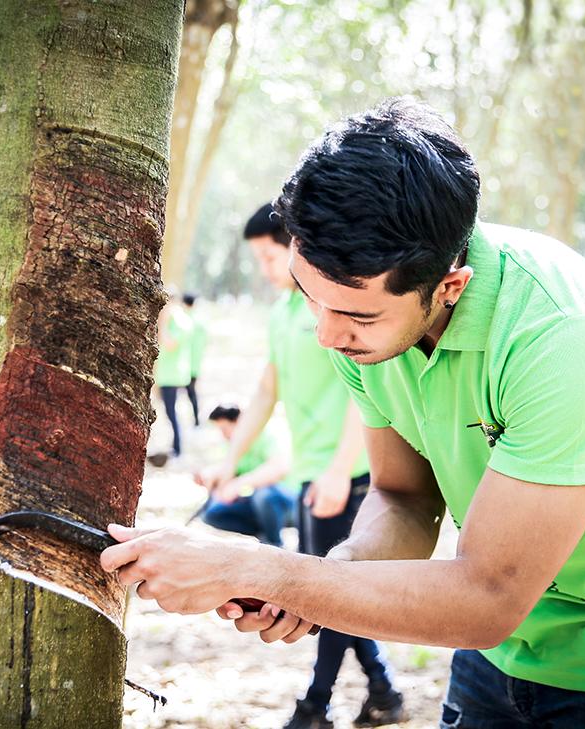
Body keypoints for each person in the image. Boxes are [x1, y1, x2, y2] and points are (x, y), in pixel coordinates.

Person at [103, 98, 585, 729]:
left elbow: (488, 596)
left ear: (450, 287)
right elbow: (404, 498)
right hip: (493, 655)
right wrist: (329, 576)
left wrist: (266, 569)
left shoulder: (567, 334)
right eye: (314, 299)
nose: (327, 337)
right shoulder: (356, 325)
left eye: (357, 317)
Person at [193, 203, 405, 729]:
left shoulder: (334, 308)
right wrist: (230, 461)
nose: (265, 270)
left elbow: (367, 393)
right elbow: (267, 389)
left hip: (349, 476)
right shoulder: (285, 314)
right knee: (334, 595)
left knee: (328, 596)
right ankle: (382, 690)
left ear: (297, 246)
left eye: (269, 256)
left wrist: (340, 471)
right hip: (313, 474)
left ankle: (316, 705)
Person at [197, 404, 295, 547]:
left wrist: (238, 484)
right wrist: (212, 476)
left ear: (239, 423)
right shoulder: (232, 444)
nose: (223, 435)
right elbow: (228, 470)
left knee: (264, 494)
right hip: (256, 502)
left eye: (224, 429)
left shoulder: (267, 435)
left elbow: (279, 468)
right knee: (212, 513)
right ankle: (263, 535)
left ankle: (275, 543)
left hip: (289, 500)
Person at [153, 294, 194, 457]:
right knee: (169, 412)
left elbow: (168, 344)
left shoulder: (181, 322)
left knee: (172, 412)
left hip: (172, 375)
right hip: (165, 374)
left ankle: (178, 449)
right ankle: (176, 446)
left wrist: (163, 320)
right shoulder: (176, 320)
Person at [183, 292, 207, 427]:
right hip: (196, 363)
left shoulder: (186, 320)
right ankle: (196, 419)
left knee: (190, 392)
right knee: (192, 392)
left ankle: (196, 420)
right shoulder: (201, 321)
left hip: (185, 364)